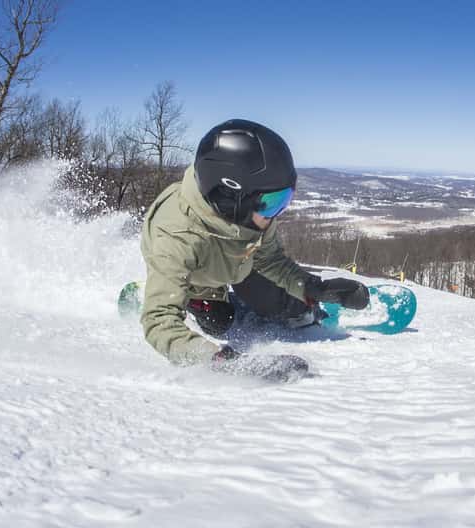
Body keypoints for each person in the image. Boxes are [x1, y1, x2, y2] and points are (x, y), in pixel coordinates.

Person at [140, 119, 369, 378]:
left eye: (284, 201)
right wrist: (220, 360)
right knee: (220, 322)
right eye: (273, 203)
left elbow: (270, 260)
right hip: (200, 275)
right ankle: (179, 294)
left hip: (236, 258)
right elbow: (159, 322)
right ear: (232, 196)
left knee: (286, 306)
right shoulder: (176, 238)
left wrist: (313, 288)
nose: (277, 213)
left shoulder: (253, 216)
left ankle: (262, 300)